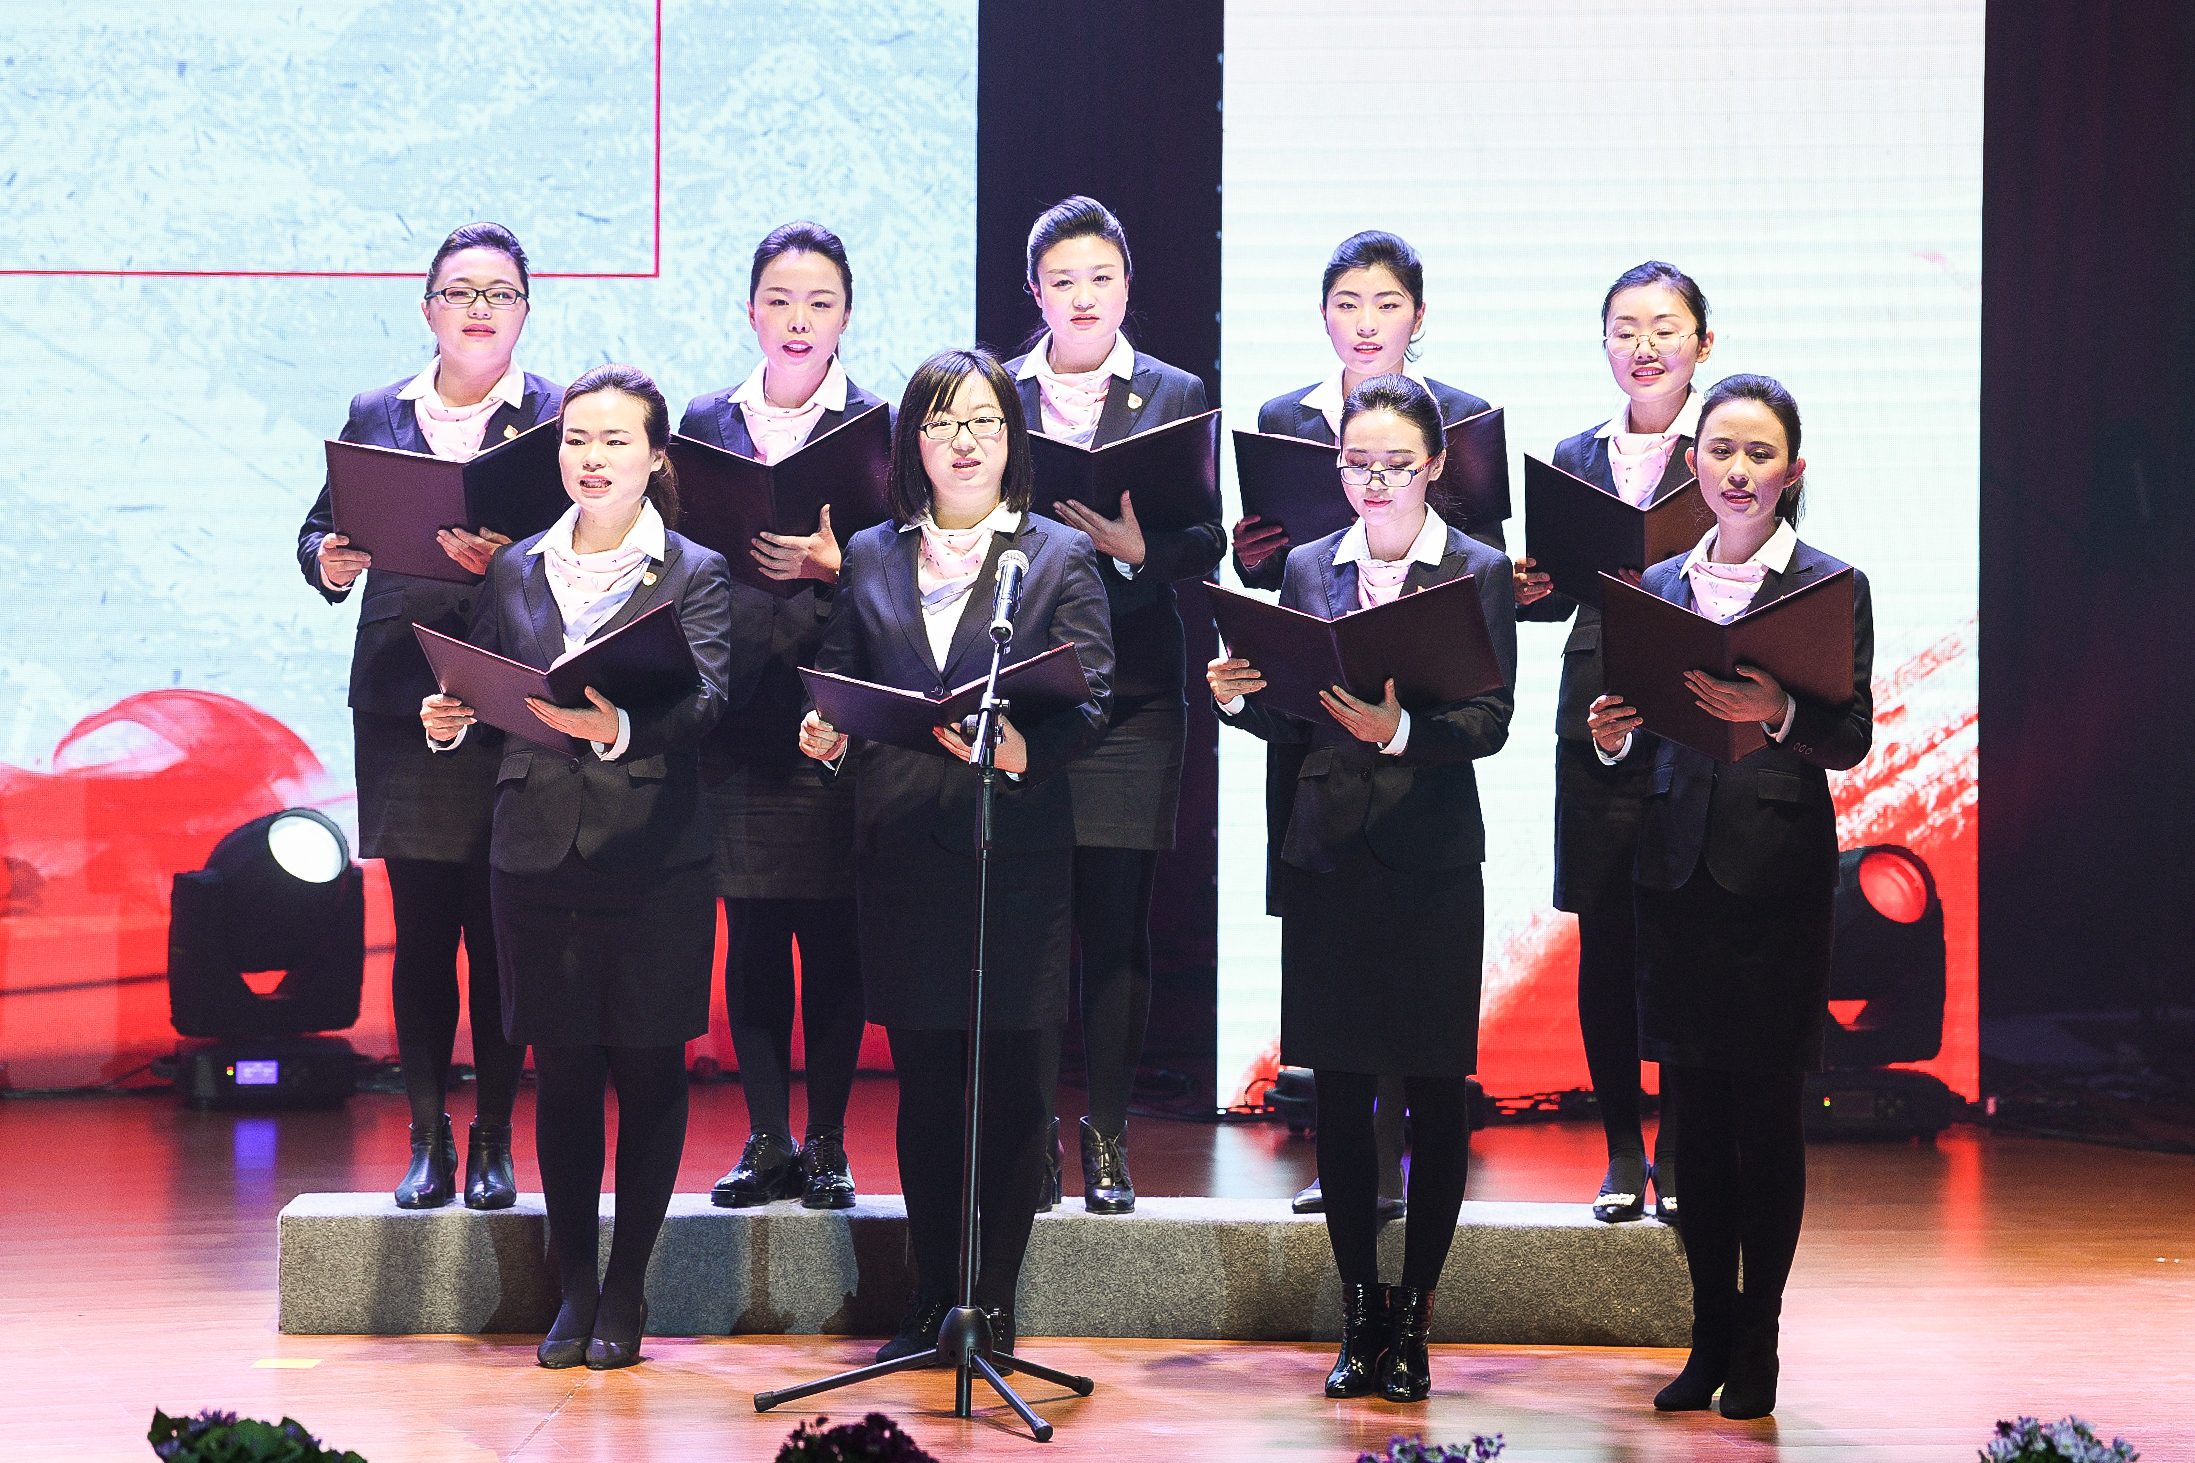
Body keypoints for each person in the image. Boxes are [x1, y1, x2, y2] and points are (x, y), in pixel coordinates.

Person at [422, 366, 755, 1371]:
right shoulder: (517, 566)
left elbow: (707, 700)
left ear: (656, 457)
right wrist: (450, 719)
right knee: (562, 1071)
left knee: (648, 1068)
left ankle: (626, 1287)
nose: (592, 457)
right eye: (575, 439)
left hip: (653, 852)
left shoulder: (693, 570)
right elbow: (494, 697)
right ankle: (574, 1285)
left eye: (615, 440)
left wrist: (616, 729)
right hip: (532, 850)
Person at [798, 348, 1113, 1363]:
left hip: (1012, 853)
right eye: (941, 423)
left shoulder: (1058, 555)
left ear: (1012, 436)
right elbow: (842, 680)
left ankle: (995, 1300)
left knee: (1014, 1092)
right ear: (913, 446)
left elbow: (1091, 701)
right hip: (901, 851)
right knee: (928, 1089)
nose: (964, 440)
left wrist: (1024, 748)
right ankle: (932, 1292)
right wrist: (825, 734)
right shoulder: (870, 555)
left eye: (982, 420)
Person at [1208, 374, 1515, 1403]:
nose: (1373, 481)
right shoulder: (1308, 565)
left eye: (1393, 463)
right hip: (1329, 854)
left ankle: (1413, 1320)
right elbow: (1296, 715)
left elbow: (1489, 719)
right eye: (1356, 463)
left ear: (1434, 465)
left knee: (1433, 1091)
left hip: (1431, 862)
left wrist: (1402, 731)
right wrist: (1237, 701)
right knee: (1337, 1094)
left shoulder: (1474, 568)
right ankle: (1356, 1316)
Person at [1586, 374, 1873, 1420]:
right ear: (1691, 464)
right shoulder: (1658, 582)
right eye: (1719, 451)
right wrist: (1610, 736)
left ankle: (1758, 1338)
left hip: (1776, 878)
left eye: (1758, 453)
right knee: (1693, 1123)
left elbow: (1848, 736)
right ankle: (1706, 1333)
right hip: (1673, 873)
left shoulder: (1830, 584)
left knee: (1765, 1117)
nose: (1737, 470)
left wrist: (1779, 709)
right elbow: (1635, 731)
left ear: (1791, 470)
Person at [1228, 232, 1505, 1221]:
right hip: (1322, 722)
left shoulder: (1458, 419)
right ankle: (1350, 1157)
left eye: (1384, 303)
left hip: (1418, 718)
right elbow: (1279, 574)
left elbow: (1478, 584)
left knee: (1414, 981)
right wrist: (1253, 566)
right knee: (1332, 954)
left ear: (1416, 316)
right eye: (1345, 303)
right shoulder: (1286, 420)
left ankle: (1399, 1165)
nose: (1364, 321)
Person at [295, 222, 559, 1212]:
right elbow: (320, 527)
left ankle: (492, 1138)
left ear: (524, 310)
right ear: (428, 309)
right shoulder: (379, 409)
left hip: (508, 687)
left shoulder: (554, 415)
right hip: (400, 694)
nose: (479, 309)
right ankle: (425, 1139)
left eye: (500, 293)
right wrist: (326, 559)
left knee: (498, 932)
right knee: (420, 931)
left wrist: (508, 560)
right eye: (461, 292)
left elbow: (590, 546)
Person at [1003, 196, 1224, 1213]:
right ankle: (1029, 1134)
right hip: (1028, 686)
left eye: (1100, 278)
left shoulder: (1174, 392)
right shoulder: (998, 393)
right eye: (1063, 281)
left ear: (1127, 285)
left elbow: (1205, 538)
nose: (1083, 298)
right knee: (1030, 921)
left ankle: (1104, 1134)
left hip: (1132, 692)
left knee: (1114, 918)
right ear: (1036, 292)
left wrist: (1141, 552)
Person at [679, 222, 891, 1212]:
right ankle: (767, 1136)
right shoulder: (704, 421)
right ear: (750, 310)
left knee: (834, 934)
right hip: (735, 713)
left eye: (818, 302)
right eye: (779, 300)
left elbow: (909, 570)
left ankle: (829, 1140)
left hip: (835, 708)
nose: (798, 319)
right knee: (755, 931)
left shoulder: (879, 427)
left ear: (845, 314)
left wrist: (835, 565)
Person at [1513, 260, 1716, 1225]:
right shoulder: (1574, 455)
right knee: (1604, 938)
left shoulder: (1725, 447)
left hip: (1692, 703)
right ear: (1602, 343)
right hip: (1595, 713)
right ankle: (1621, 1151)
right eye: (1625, 329)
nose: (1644, 346)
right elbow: (1558, 598)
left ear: (1702, 345)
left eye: (1664, 328)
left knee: (1684, 941)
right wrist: (1528, 589)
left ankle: (1680, 1147)